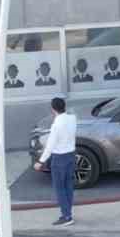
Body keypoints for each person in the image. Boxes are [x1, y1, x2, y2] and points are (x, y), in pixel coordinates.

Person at [34, 96, 77, 227]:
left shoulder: (56, 125)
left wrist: (40, 162)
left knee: (60, 188)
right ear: (64, 106)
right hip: (71, 155)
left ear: (53, 109)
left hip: (59, 158)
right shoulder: (72, 118)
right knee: (68, 186)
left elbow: (50, 146)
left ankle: (66, 216)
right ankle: (68, 212)